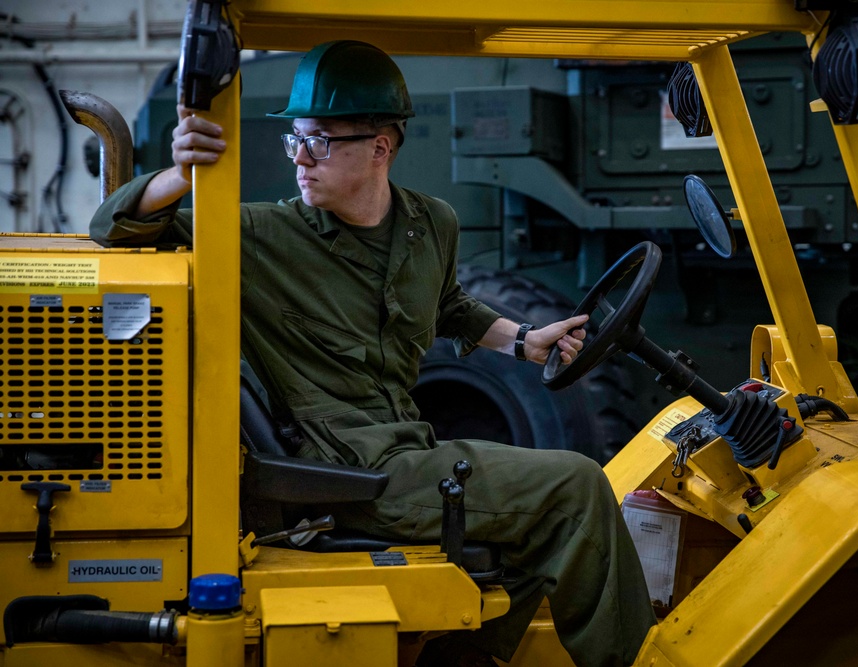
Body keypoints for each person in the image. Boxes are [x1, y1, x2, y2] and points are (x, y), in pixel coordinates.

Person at [90, 40, 656, 667]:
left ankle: (460, 658)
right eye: (295, 139)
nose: (301, 159)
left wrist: (523, 340)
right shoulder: (262, 236)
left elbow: (448, 307)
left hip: (409, 449)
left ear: (380, 147)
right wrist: (178, 173)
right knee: (578, 488)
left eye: (322, 142)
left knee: (536, 532)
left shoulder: (430, 224)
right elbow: (114, 226)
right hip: (348, 472)